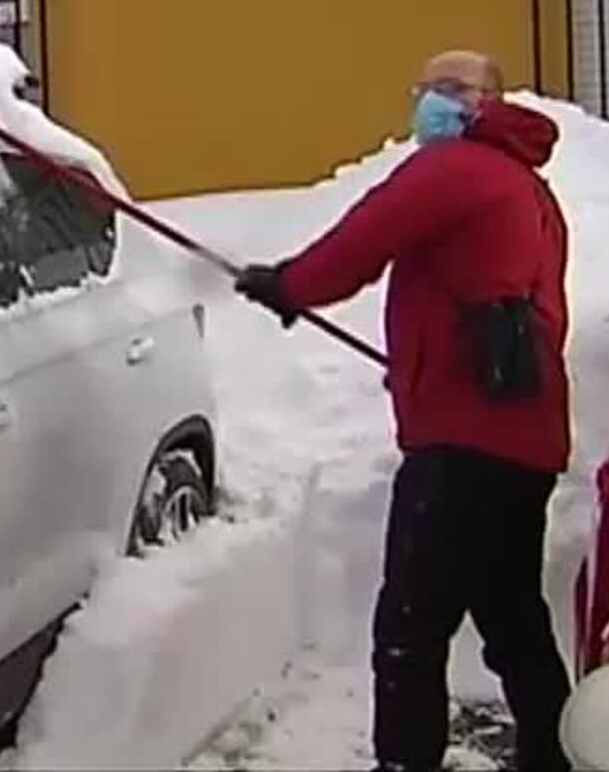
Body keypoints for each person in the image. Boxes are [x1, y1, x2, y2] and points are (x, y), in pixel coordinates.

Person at [234, 50, 573, 772]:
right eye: (426, 87)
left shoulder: (455, 169)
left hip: (462, 447)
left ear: (490, 100)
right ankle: (558, 754)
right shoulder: (529, 189)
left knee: (409, 632)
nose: (434, 100)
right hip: (525, 441)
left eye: (454, 88)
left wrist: (288, 286)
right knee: (512, 618)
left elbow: (365, 239)